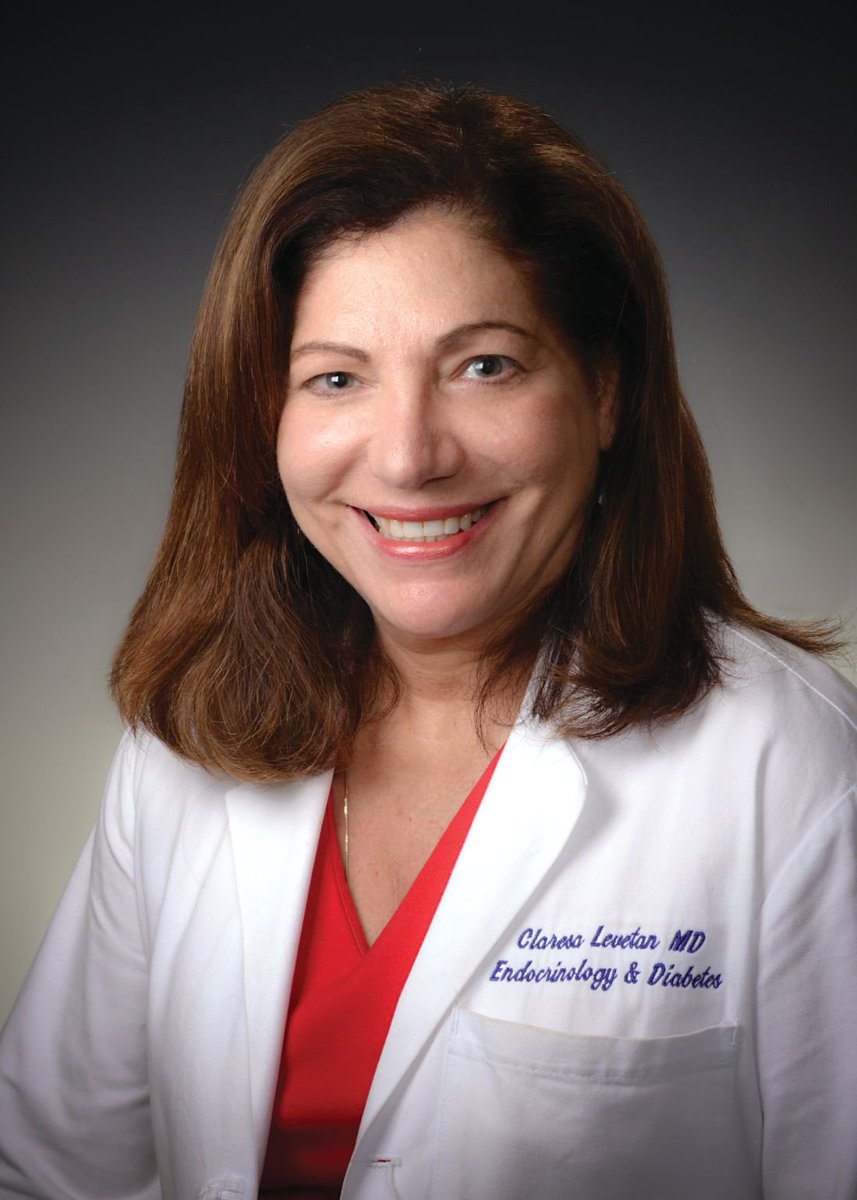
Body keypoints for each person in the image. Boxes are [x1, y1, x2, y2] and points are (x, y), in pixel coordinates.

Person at [0, 82, 855, 1200]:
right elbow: (49, 1171)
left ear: (604, 392)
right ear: (264, 418)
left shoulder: (789, 766)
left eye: (483, 365)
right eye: (336, 378)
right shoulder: (190, 741)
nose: (408, 457)